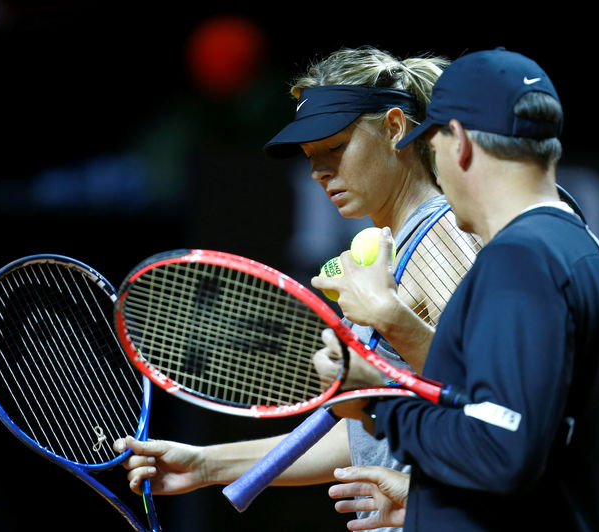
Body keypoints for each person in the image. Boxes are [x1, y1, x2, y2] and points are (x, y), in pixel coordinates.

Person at [113, 46, 481, 532]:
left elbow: (500, 408)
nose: (319, 171)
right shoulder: (395, 249)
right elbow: (367, 436)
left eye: (336, 147)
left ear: (395, 128)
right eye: (311, 157)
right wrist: (206, 464)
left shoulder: (443, 239)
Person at [311, 47, 599, 531]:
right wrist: (427, 501)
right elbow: (542, 448)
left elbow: (501, 449)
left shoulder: (519, 262)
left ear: (459, 143)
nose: (436, 172)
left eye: (432, 149)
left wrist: (377, 398)